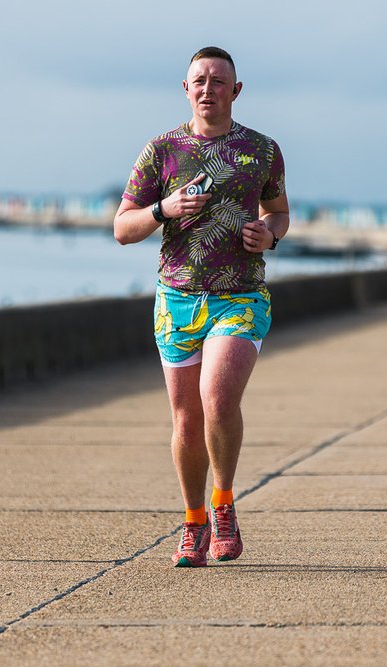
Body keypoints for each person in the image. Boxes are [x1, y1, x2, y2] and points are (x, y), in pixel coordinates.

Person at [114, 46, 289, 568]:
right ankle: (193, 522)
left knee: (218, 397)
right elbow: (123, 228)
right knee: (186, 421)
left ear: (236, 91)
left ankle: (224, 503)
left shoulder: (261, 150)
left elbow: (278, 211)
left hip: (240, 294)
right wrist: (163, 209)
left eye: (218, 80)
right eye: (199, 80)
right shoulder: (161, 150)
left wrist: (269, 234)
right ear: (185, 89)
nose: (208, 88)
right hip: (177, 300)